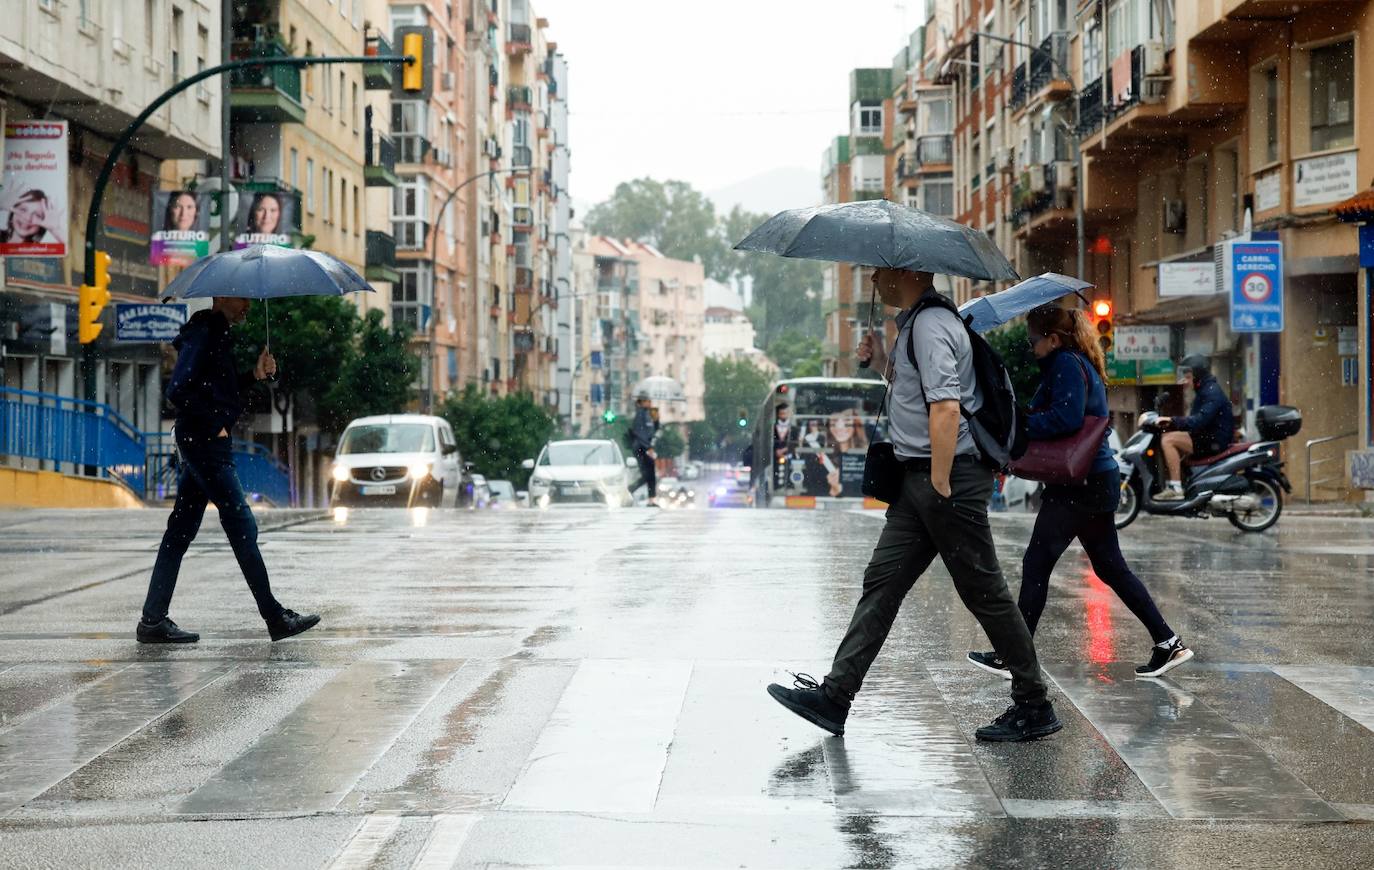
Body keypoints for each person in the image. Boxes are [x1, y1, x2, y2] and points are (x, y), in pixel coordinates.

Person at [767, 268, 1061, 743]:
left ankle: (1034, 704)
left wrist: (941, 480)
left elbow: (945, 405)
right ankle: (835, 697)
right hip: (918, 481)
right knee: (882, 583)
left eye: (882, 270)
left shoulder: (930, 325)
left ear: (908, 272)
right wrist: (882, 356)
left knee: (983, 591)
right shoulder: (916, 324)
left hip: (945, 477)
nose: (875, 277)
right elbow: (913, 388)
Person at [967, 304, 1194, 680]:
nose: (1032, 347)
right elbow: (1061, 412)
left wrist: (1024, 425)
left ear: (1053, 339)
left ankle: (1013, 655)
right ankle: (1168, 643)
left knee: (1036, 564)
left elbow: (1066, 418)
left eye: (1034, 341)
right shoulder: (1075, 362)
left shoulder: (1066, 364)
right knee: (1110, 567)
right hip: (1093, 479)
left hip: (1081, 483)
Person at [137, 296, 319, 644]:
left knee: (181, 529)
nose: (248, 305)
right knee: (241, 524)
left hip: (199, 441)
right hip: (205, 443)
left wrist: (253, 374)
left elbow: (217, 388)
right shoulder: (206, 331)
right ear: (221, 297)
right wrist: (214, 422)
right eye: (242, 299)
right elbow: (178, 389)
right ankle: (275, 617)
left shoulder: (213, 331)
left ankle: (152, 620)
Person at [1153, 354, 1233, 501]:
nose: (1186, 381)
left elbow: (1199, 420)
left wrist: (1173, 420)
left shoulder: (1211, 392)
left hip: (1213, 440)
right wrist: (1173, 423)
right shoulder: (1205, 389)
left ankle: (1176, 488)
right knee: (1171, 440)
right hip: (1207, 436)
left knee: (1168, 441)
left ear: (1198, 375)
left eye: (1189, 377)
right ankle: (1188, 486)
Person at [0, 188, 65, 245]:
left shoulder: (40, 251)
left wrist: (55, 229)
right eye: (23, 210)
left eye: (37, 215)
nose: (28, 218)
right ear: (12, 213)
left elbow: (72, 249)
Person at [630, 391, 659, 507]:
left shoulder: (650, 413)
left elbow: (654, 431)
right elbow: (640, 433)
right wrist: (649, 448)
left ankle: (651, 500)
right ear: (642, 402)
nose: (650, 403)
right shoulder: (639, 415)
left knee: (650, 474)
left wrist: (656, 420)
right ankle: (630, 489)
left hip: (647, 447)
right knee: (647, 474)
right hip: (641, 448)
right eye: (648, 401)